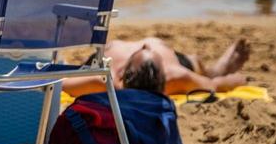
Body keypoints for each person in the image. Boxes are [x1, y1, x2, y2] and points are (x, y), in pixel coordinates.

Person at [62, 36, 251, 98]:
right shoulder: (175, 77)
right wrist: (236, 80)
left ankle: (212, 69)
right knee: (195, 64)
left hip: (112, 53)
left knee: (195, 64)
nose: (143, 46)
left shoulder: (103, 81)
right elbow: (214, 85)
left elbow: (58, 83)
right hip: (160, 54)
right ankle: (214, 69)